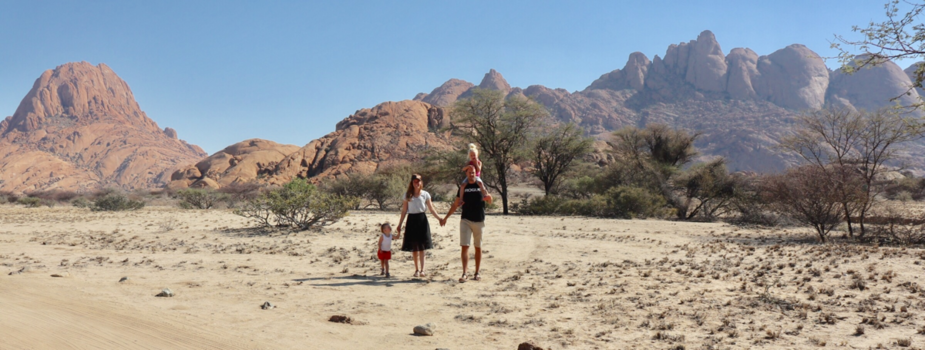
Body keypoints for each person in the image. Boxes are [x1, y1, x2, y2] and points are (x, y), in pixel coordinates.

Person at [443, 165, 492, 283]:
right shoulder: (463, 187)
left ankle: (477, 272)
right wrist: (445, 217)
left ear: (476, 173)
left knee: (478, 247)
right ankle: (465, 273)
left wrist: (489, 198)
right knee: (465, 246)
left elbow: (490, 199)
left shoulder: (480, 185)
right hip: (466, 220)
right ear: (466, 174)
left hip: (479, 220)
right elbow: (456, 204)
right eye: (469, 172)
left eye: (473, 172)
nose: (471, 174)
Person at [396, 174, 446, 278]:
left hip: (422, 220)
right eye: (415, 181)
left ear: (421, 182)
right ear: (412, 183)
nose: (417, 183)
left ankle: (423, 270)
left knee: (422, 247)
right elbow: (404, 210)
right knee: (414, 247)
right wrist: (400, 224)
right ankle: (417, 270)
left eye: (418, 181)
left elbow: (431, 209)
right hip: (411, 220)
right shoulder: (407, 195)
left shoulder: (425, 194)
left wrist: (439, 219)